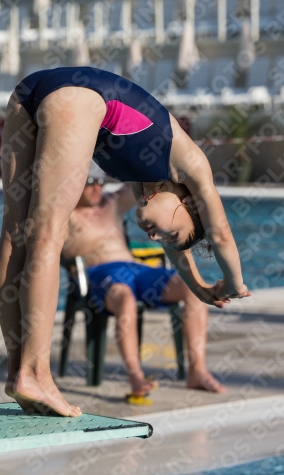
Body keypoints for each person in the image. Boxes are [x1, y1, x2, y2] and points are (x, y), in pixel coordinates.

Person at [0, 67, 250, 417]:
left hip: (29, 92)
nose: (156, 237)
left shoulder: (142, 172)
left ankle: (17, 372)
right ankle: (35, 373)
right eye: (171, 232)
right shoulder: (192, 164)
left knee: (15, 233)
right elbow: (220, 233)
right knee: (47, 233)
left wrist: (200, 286)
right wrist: (233, 284)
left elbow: (177, 254)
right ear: (189, 204)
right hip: (74, 97)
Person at [62, 166, 226, 399]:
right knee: (125, 298)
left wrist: (113, 173)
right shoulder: (65, 215)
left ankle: (197, 371)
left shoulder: (111, 202)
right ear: (74, 185)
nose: (97, 187)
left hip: (135, 269)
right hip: (99, 273)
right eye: (89, 182)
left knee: (191, 288)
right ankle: (136, 377)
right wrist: (100, 226)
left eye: (100, 182)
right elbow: (65, 252)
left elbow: (141, 181)